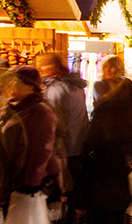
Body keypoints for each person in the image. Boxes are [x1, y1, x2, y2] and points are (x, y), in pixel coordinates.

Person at [77, 79, 132, 224]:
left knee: (99, 211)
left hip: (100, 166)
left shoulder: (104, 108)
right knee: (117, 210)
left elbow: (90, 140)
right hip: (121, 167)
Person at [1, 65, 60, 221]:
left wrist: (30, 183)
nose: (8, 85)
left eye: (14, 81)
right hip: (10, 181)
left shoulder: (39, 111)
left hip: (25, 185)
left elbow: (42, 149)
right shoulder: (10, 109)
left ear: (30, 85)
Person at [36, 52, 88, 213]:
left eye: (44, 64)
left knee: (64, 190)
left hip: (66, 147)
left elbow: (51, 122)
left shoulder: (55, 89)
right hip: (77, 144)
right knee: (73, 189)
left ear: (56, 67)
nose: (39, 67)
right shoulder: (73, 85)